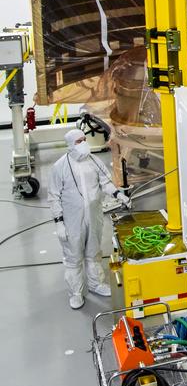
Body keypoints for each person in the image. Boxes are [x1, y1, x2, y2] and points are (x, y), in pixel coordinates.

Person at [48, 127, 121, 310]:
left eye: (84, 139)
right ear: (70, 145)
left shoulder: (94, 161)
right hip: (72, 220)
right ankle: (75, 293)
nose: (83, 144)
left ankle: (96, 284)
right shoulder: (60, 167)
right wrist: (59, 223)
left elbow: (105, 182)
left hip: (94, 216)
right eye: (79, 141)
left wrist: (118, 194)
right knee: (74, 258)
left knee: (93, 253)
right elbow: (54, 196)